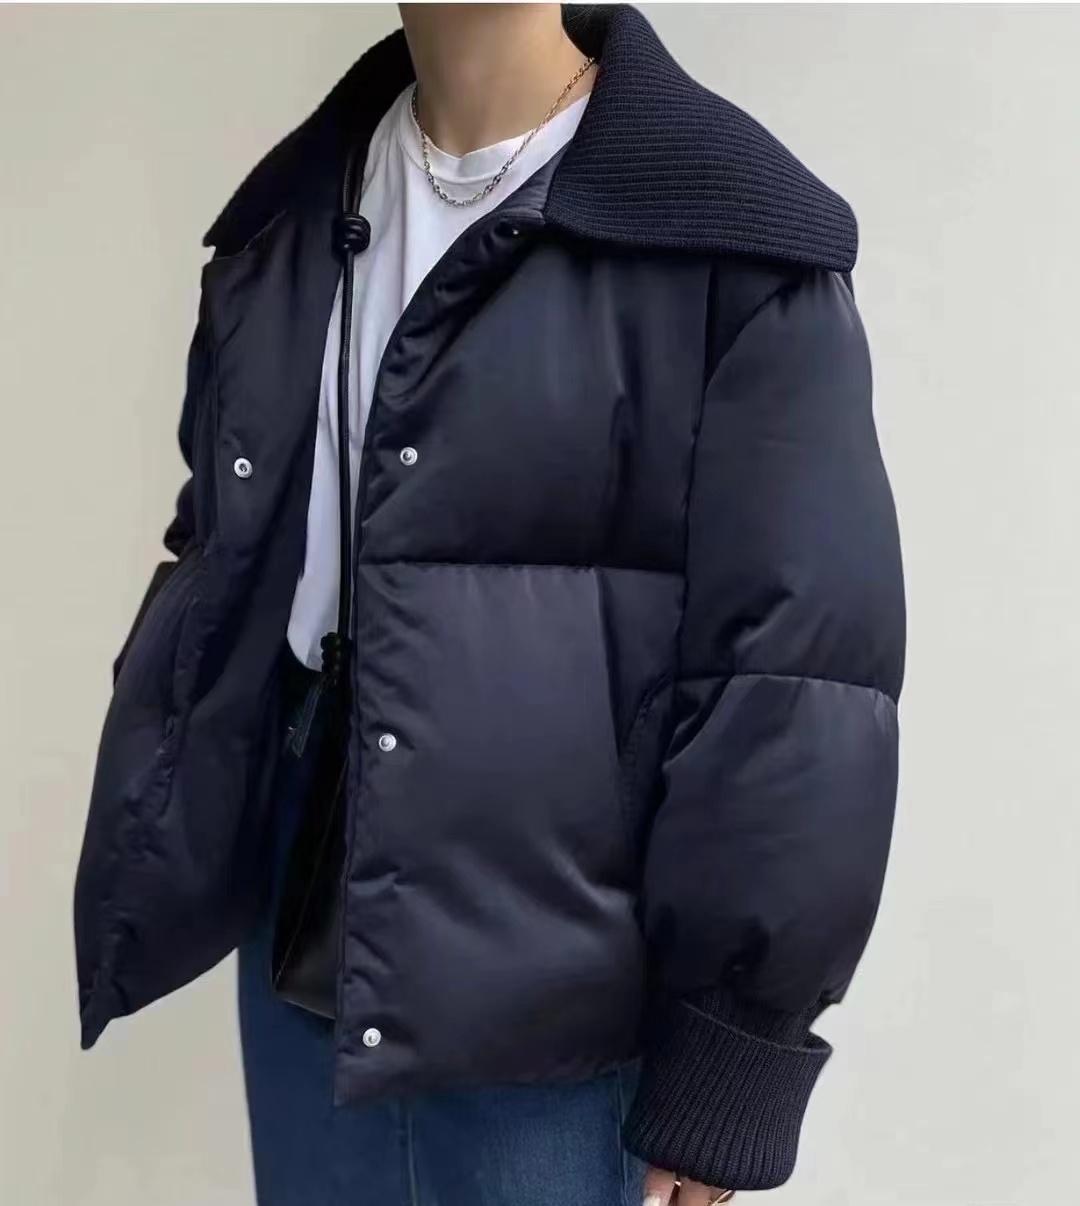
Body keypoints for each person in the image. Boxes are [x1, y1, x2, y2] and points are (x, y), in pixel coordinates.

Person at [73, 5, 906, 1205]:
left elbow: (796, 681)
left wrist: (738, 1042)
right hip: (308, 903)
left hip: (563, 971)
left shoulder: (730, 241)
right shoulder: (287, 224)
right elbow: (228, 548)